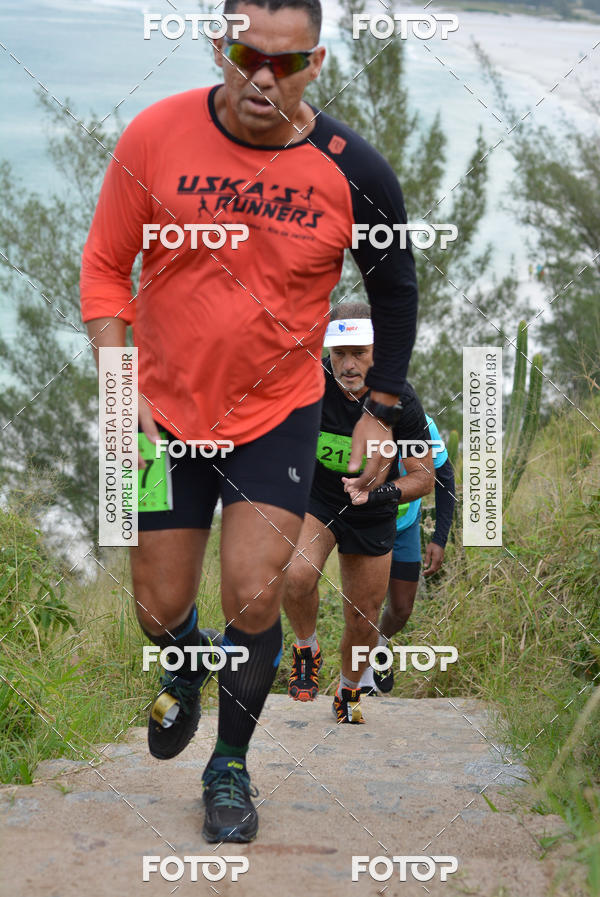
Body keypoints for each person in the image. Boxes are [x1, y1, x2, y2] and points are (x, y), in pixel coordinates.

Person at [80, 0, 419, 843]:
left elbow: (396, 292)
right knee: (158, 607)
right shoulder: (156, 135)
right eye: (244, 54)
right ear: (218, 45)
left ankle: (228, 764)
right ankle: (185, 654)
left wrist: (380, 409)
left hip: (277, 416)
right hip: (159, 414)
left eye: (287, 61)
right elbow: (102, 267)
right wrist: (120, 390)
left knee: (257, 594)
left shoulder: (355, 170)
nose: (262, 77)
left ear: (318, 62)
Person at [282, 302, 434, 723]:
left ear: (378, 351)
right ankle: (306, 648)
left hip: (373, 509)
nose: (348, 365)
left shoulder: (399, 397)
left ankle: (348, 690)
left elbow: (423, 477)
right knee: (296, 574)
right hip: (320, 500)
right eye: (338, 354)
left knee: (363, 616)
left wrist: (381, 492)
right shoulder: (310, 383)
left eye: (359, 353)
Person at [358, 413, 456, 695]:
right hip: (368, 524)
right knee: (366, 605)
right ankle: (362, 678)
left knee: (401, 608)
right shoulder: (356, 421)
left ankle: (380, 643)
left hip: (405, 526)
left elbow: (444, 478)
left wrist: (439, 539)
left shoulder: (421, 424)